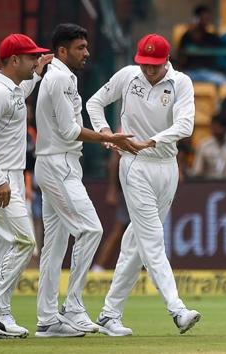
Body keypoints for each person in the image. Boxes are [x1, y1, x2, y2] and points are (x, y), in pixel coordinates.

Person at [87, 33, 201, 336]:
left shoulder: (181, 83)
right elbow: (94, 103)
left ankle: (109, 314)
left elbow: (186, 125)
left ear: (166, 61)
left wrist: (154, 140)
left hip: (167, 165)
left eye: (155, 65)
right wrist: (107, 133)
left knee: (136, 244)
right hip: (134, 165)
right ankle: (177, 310)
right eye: (145, 64)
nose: (149, 71)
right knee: (152, 238)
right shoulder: (128, 75)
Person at [34, 23, 137, 338]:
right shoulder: (61, 77)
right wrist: (113, 139)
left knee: (55, 245)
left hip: (59, 161)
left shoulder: (62, 76)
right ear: (62, 51)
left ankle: (48, 318)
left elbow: (70, 126)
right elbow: (68, 131)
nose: (87, 53)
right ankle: (74, 308)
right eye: (80, 48)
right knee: (91, 229)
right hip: (58, 164)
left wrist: (105, 135)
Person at [0, 33, 51, 340]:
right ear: (14, 60)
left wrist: (39, 70)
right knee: (25, 242)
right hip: (0, 178)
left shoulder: (15, 88)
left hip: (10, 176)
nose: (35, 60)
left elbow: (25, 87)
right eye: (31, 57)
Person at [178, 5, 226, 86]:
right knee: (177, 84)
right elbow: (180, 57)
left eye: (207, 19)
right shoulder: (187, 37)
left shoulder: (213, 37)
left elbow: (221, 55)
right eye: (203, 19)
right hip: (191, 72)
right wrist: (191, 32)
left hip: (209, 73)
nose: (205, 22)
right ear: (196, 19)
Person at [192, 115, 226, 179]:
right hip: (209, 184)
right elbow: (197, 171)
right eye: (213, 127)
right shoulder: (204, 145)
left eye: (218, 127)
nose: (215, 130)